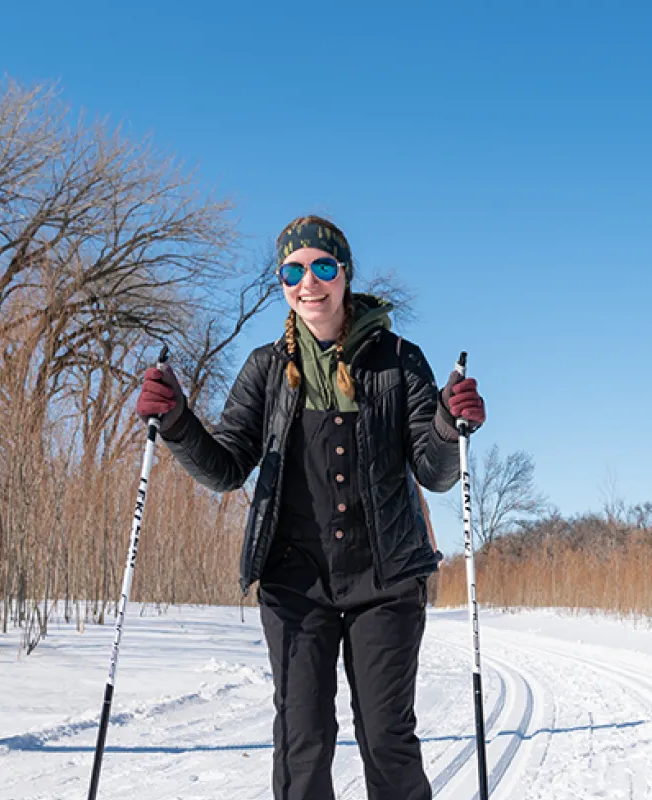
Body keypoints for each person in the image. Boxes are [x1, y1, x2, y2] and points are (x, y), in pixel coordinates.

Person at [135, 215, 485, 800]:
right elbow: (225, 466)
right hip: (295, 582)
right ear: (281, 282)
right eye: (293, 271)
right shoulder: (266, 368)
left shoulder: (399, 360)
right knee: (303, 741)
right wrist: (174, 421)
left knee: (386, 738)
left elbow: (433, 470)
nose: (309, 282)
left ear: (345, 275)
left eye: (323, 267)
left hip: (386, 579)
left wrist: (450, 427)